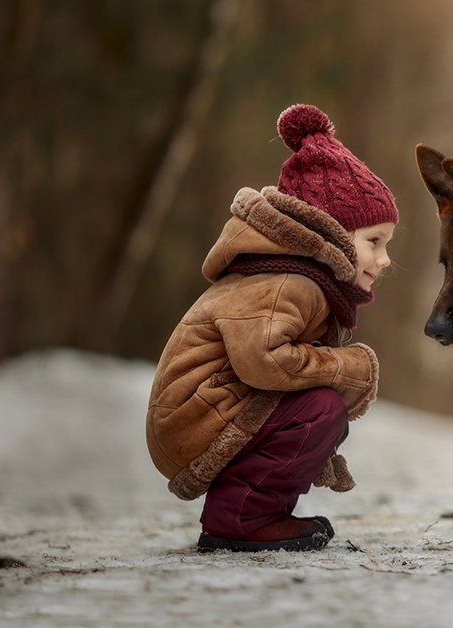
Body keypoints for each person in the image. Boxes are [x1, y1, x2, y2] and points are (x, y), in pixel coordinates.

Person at [146, 103, 397, 551]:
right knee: (319, 409)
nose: (384, 259)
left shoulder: (297, 276)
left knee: (320, 407)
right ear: (334, 232)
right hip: (195, 415)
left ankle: (257, 512)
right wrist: (344, 367)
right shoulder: (288, 283)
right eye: (373, 242)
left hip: (206, 409)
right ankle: (241, 519)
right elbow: (265, 360)